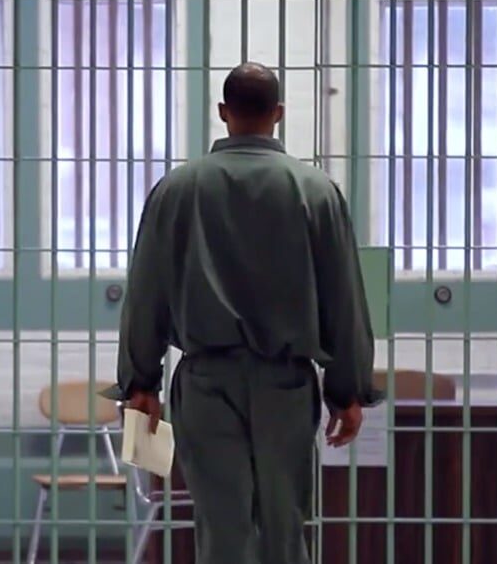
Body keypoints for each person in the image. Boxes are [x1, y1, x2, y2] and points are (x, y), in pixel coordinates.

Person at [113, 63, 384, 564]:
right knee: (285, 527)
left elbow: (146, 290)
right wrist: (348, 390)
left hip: (206, 382)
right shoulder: (315, 191)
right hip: (286, 382)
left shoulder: (178, 189)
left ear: (223, 113)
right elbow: (343, 298)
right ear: (278, 114)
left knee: (222, 527)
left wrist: (140, 383)